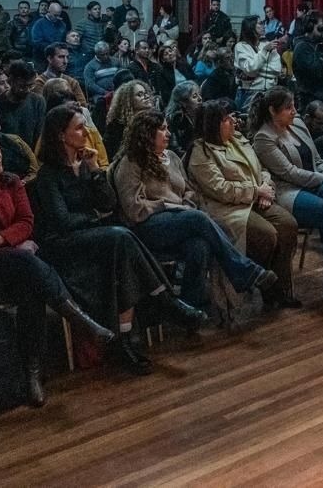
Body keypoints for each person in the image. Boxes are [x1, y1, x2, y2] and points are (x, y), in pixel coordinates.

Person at [0, 131, 130, 405]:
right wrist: (9, 242)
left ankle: (32, 373)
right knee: (26, 262)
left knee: (32, 285)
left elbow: (27, 222)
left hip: (16, 265)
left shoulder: (12, 182)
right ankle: (79, 321)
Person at [30, 110, 204, 371]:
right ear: (60, 135)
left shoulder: (85, 165)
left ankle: (124, 343)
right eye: (78, 128)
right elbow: (62, 221)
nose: (86, 132)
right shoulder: (48, 175)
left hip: (96, 239)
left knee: (122, 260)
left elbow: (109, 204)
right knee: (121, 236)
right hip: (64, 246)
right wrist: (92, 216)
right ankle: (166, 301)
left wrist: (95, 171)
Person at [112, 110, 277, 312]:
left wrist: (185, 207)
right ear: (147, 134)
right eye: (162, 129)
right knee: (198, 219)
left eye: (167, 128)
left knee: (198, 246)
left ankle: (191, 308)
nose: (168, 133)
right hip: (147, 226)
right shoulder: (131, 163)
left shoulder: (171, 157)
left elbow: (189, 191)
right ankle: (245, 271)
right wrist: (172, 207)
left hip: (179, 219)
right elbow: (133, 208)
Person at [250, 87, 323, 306]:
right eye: (288, 108)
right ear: (273, 111)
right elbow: (291, 174)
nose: (294, 111)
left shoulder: (298, 123)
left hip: (316, 181)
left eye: (293, 106)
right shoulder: (263, 138)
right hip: (289, 191)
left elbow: (317, 159)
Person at [188, 101, 301, 309]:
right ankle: (266, 285)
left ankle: (280, 288)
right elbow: (220, 189)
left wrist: (266, 187)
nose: (232, 121)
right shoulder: (201, 153)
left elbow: (261, 169)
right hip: (227, 208)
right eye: (225, 119)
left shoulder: (238, 140)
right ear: (213, 125)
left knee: (288, 224)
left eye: (231, 116)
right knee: (267, 234)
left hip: (255, 197)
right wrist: (256, 190)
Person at [235, 16, 284, 111]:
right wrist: (264, 51)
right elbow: (251, 68)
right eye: (260, 23)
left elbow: (277, 69)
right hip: (249, 92)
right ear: (251, 26)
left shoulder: (267, 44)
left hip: (269, 91)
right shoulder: (240, 46)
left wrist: (256, 71)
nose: (264, 26)